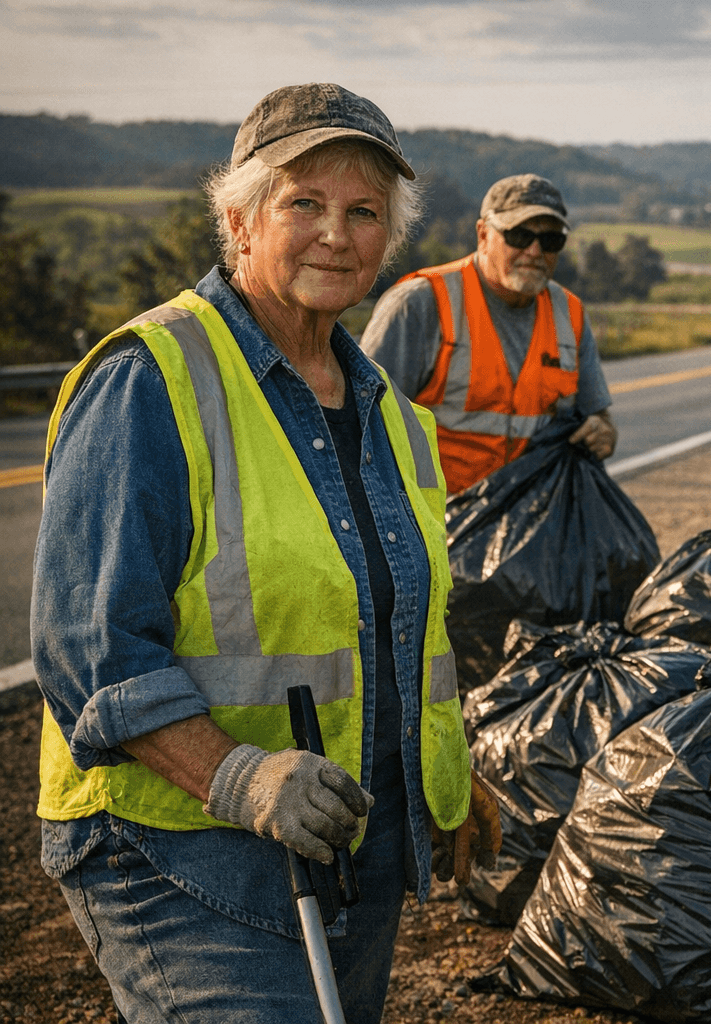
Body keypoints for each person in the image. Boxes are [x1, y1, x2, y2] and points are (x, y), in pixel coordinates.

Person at [31, 83, 500, 1024]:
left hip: (340, 845)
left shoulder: (394, 420)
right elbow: (88, 644)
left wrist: (439, 770)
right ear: (240, 223)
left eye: (364, 211)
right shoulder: (150, 380)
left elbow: (386, 624)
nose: (338, 233)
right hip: (177, 848)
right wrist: (236, 775)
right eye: (305, 204)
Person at [360, 173, 615, 494]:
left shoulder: (570, 313)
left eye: (550, 241)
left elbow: (600, 419)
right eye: (519, 236)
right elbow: (362, 426)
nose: (535, 251)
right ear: (483, 234)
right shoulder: (421, 303)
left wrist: (602, 432)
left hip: (534, 523)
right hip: (439, 522)